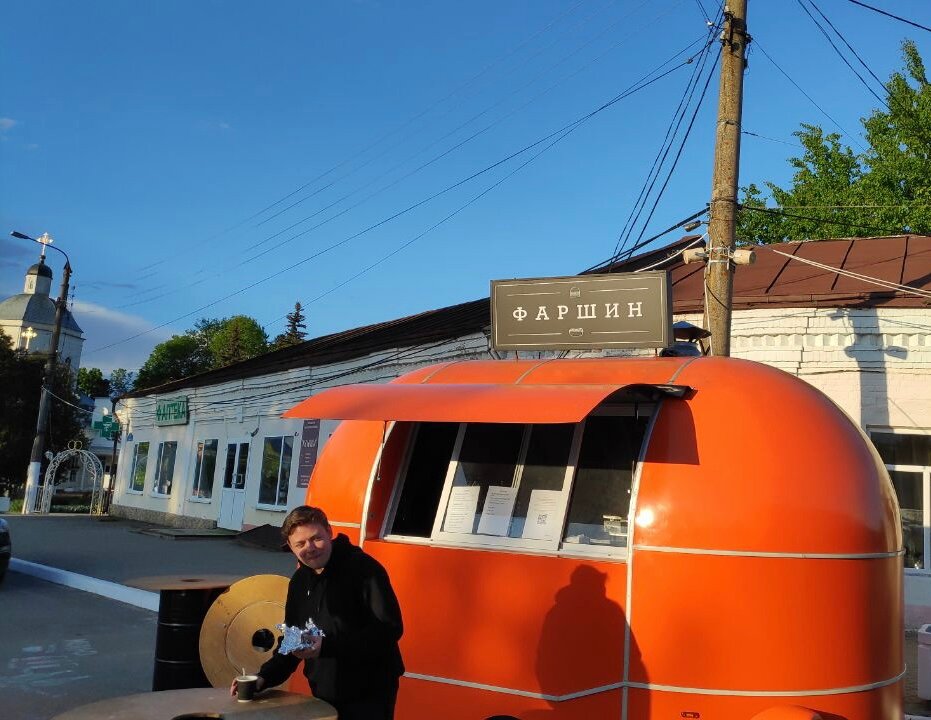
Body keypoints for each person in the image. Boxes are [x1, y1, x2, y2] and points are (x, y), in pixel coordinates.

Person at [230, 505, 404, 719]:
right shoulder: (299, 582)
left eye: (316, 538)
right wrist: (263, 678)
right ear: (291, 547)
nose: (310, 548)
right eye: (300, 543)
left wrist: (327, 646)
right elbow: (293, 639)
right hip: (323, 694)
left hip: (370, 694)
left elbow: (389, 630)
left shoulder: (365, 570)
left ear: (329, 532)